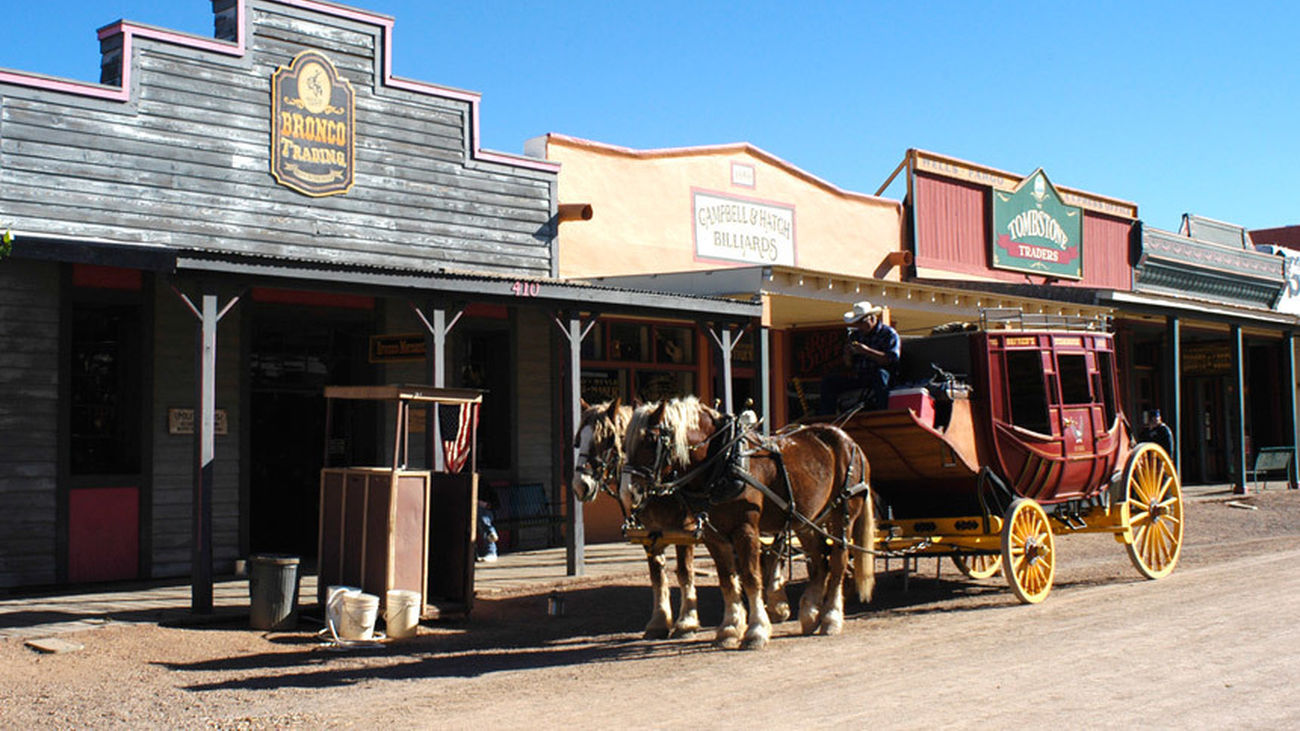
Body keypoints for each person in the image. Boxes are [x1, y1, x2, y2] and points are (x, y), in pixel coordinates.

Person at [819, 301, 900, 414]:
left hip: (883, 376)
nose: (859, 327)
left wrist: (866, 351)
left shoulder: (888, 334)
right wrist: (847, 355)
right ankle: (827, 416)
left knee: (880, 375)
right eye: (857, 323)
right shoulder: (856, 336)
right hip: (861, 377)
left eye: (861, 323)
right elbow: (849, 365)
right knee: (829, 382)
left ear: (871, 318)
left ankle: (883, 412)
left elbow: (890, 360)